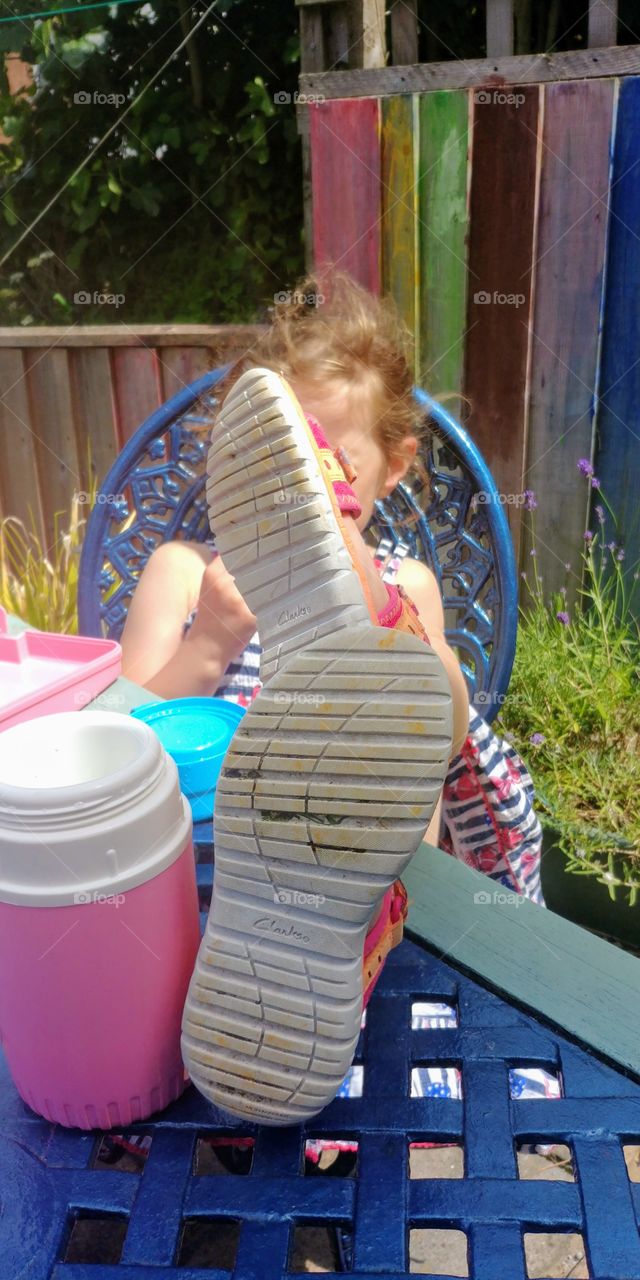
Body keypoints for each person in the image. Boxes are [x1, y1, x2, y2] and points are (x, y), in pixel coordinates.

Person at [120, 272, 545, 1124]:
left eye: (327, 479)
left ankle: (331, 953)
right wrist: (210, 642)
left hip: (354, 889)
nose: (304, 504)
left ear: (393, 470)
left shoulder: (410, 580)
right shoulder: (186, 571)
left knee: (440, 719)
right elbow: (126, 739)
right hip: (206, 880)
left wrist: (385, 622)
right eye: (282, 482)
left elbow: (434, 761)